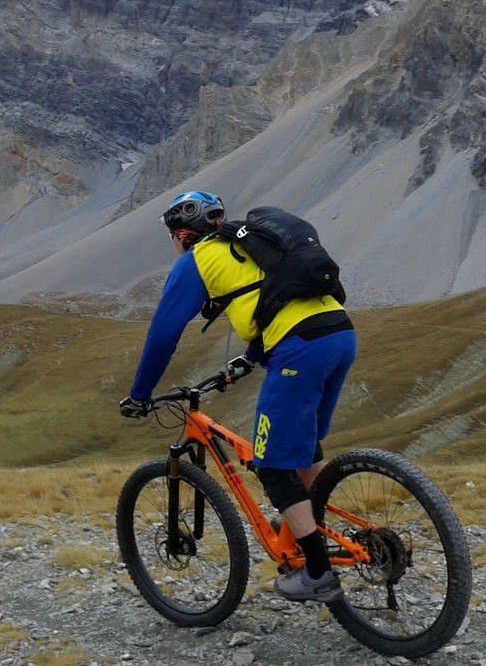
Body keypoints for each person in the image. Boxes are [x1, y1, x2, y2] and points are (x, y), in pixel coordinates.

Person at [120, 190, 356, 602]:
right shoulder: (251, 243)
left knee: (271, 465)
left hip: (300, 348)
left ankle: (317, 573)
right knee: (304, 450)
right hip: (339, 334)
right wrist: (249, 358)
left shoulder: (198, 259)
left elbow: (163, 336)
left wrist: (140, 394)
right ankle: (308, 539)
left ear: (181, 233)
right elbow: (274, 299)